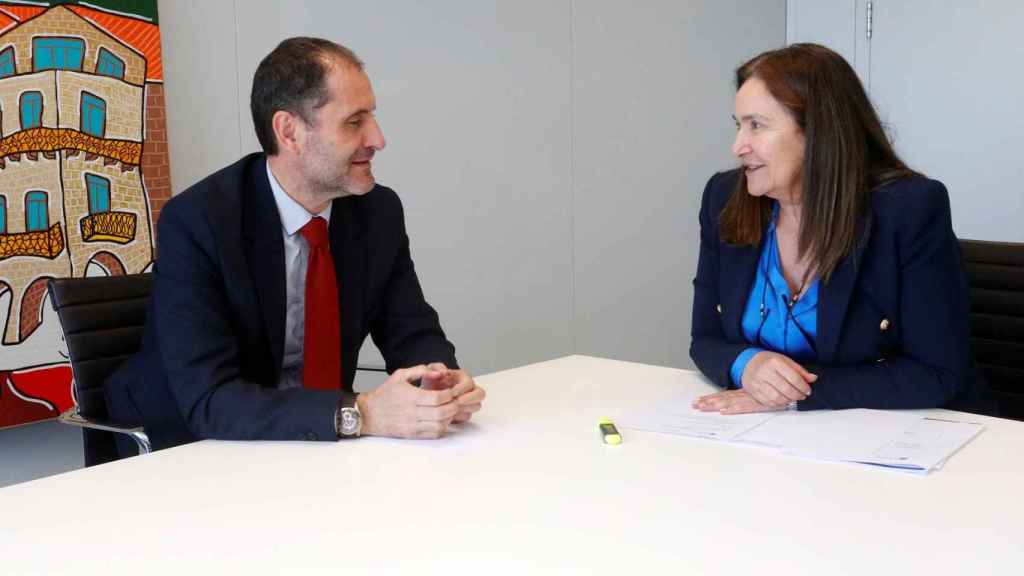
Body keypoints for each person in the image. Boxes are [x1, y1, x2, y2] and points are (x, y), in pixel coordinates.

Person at [105, 37, 485, 453]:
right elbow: (210, 399)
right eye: (354, 122)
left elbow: (412, 332)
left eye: (371, 117)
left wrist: (438, 379)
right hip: (188, 448)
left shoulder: (376, 212)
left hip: (313, 439)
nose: (378, 138)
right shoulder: (199, 222)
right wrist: (362, 413)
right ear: (289, 131)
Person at [689, 43, 993, 415]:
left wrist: (792, 395)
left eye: (757, 125)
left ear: (817, 131)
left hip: (910, 436)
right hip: (775, 440)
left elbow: (936, 372)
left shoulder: (907, 209)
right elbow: (705, 338)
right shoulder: (723, 198)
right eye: (739, 126)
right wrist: (747, 365)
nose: (738, 146)